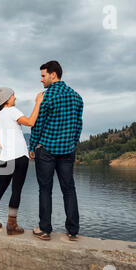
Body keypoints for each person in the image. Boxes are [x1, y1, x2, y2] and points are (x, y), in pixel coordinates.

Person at [29, 61, 83, 241]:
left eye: (43, 76)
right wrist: (72, 144)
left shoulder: (46, 97)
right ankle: (73, 231)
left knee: (45, 190)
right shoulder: (77, 97)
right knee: (69, 189)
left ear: (53, 75)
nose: (41, 80)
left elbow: (38, 125)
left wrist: (32, 147)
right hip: (67, 150)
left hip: (46, 150)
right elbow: (78, 126)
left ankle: (45, 229)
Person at [0, 87, 44, 235]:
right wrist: (37, 102)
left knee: (0, 188)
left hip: (5, 157)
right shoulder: (12, 111)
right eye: (13, 96)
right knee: (16, 190)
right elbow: (31, 122)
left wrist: (3, 145)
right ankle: (12, 226)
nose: (15, 98)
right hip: (19, 156)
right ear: (7, 99)